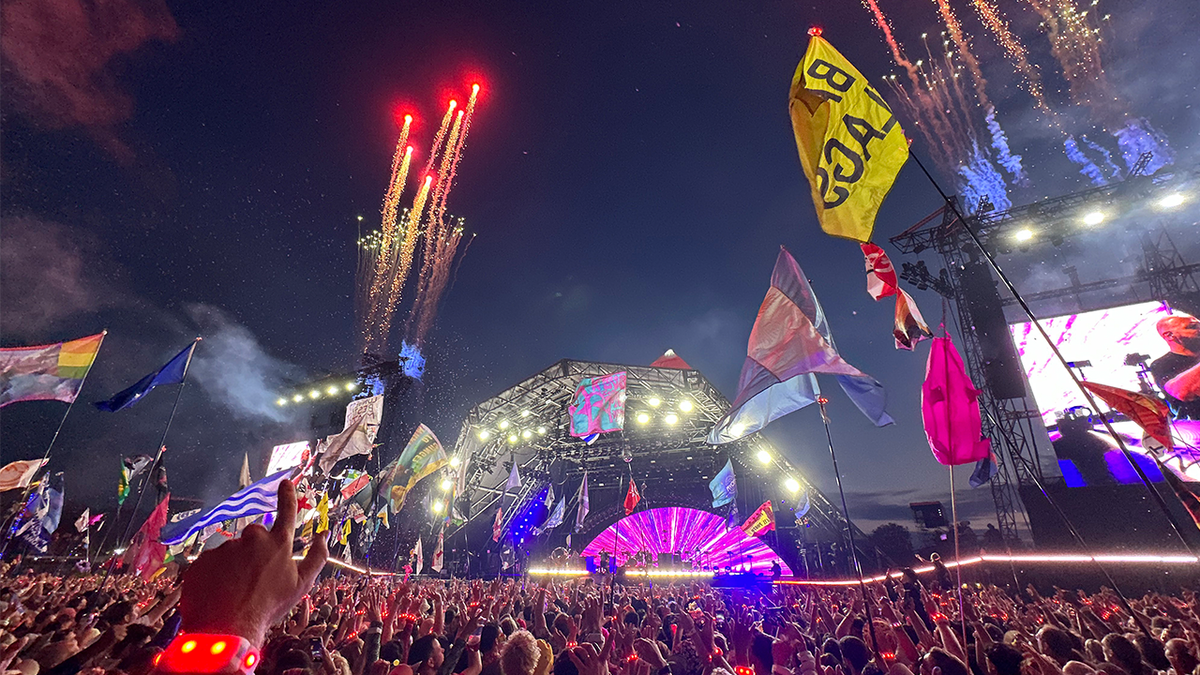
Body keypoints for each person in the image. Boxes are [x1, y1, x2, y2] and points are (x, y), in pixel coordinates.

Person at [1151, 313, 1200, 419]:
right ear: (1169, 335)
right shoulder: (1161, 365)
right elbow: (1182, 392)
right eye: (1193, 327)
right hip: (1194, 429)